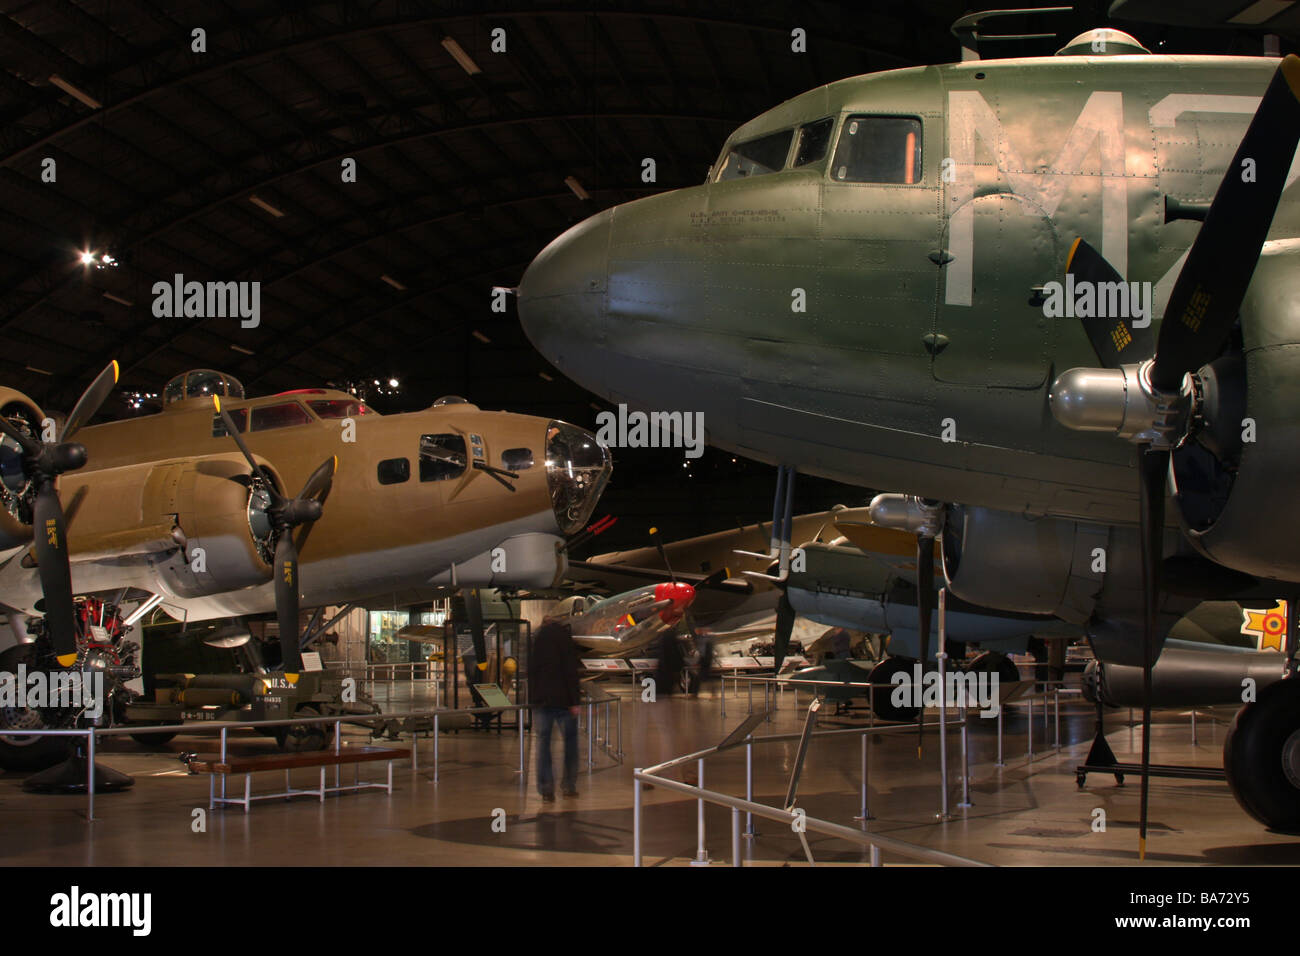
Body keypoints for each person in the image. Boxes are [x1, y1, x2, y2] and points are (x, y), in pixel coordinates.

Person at [528, 616, 581, 801]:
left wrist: (533, 698)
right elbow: (570, 669)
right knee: (571, 743)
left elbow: (532, 670)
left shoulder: (538, 638)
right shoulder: (564, 637)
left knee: (543, 743)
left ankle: (546, 788)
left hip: (542, 701)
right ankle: (569, 785)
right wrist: (575, 700)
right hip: (564, 700)